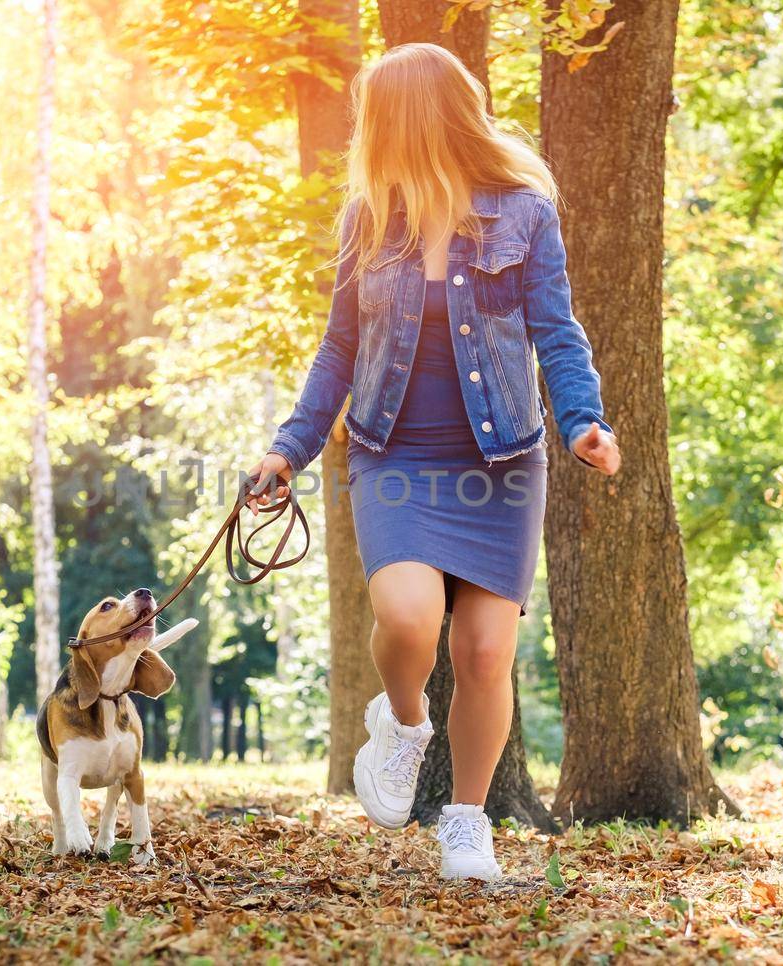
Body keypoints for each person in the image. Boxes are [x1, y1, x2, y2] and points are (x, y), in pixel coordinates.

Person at [247, 43, 620, 881]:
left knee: (487, 654)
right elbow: (338, 350)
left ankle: (466, 823)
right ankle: (405, 724)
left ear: (411, 118)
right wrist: (289, 448)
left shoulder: (525, 213)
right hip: (396, 454)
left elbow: (556, 332)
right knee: (411, 619)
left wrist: (583, 421)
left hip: (502, 459)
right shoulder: (368, 218)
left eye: (376, 115)